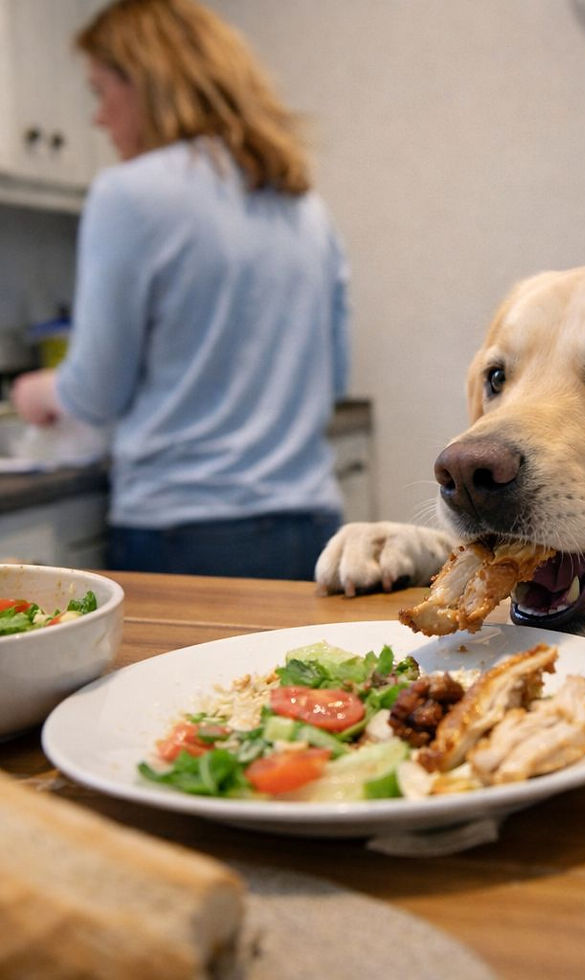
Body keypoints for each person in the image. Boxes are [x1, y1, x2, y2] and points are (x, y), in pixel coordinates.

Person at [12, 0, 349, 580]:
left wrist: (38, 391)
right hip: (310, 522)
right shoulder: (304, 206)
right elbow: (334, 378)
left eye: (101, 91)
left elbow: (96, 391)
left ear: (147, 81)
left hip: (187, 534)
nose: (98, 118)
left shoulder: (128, 194)